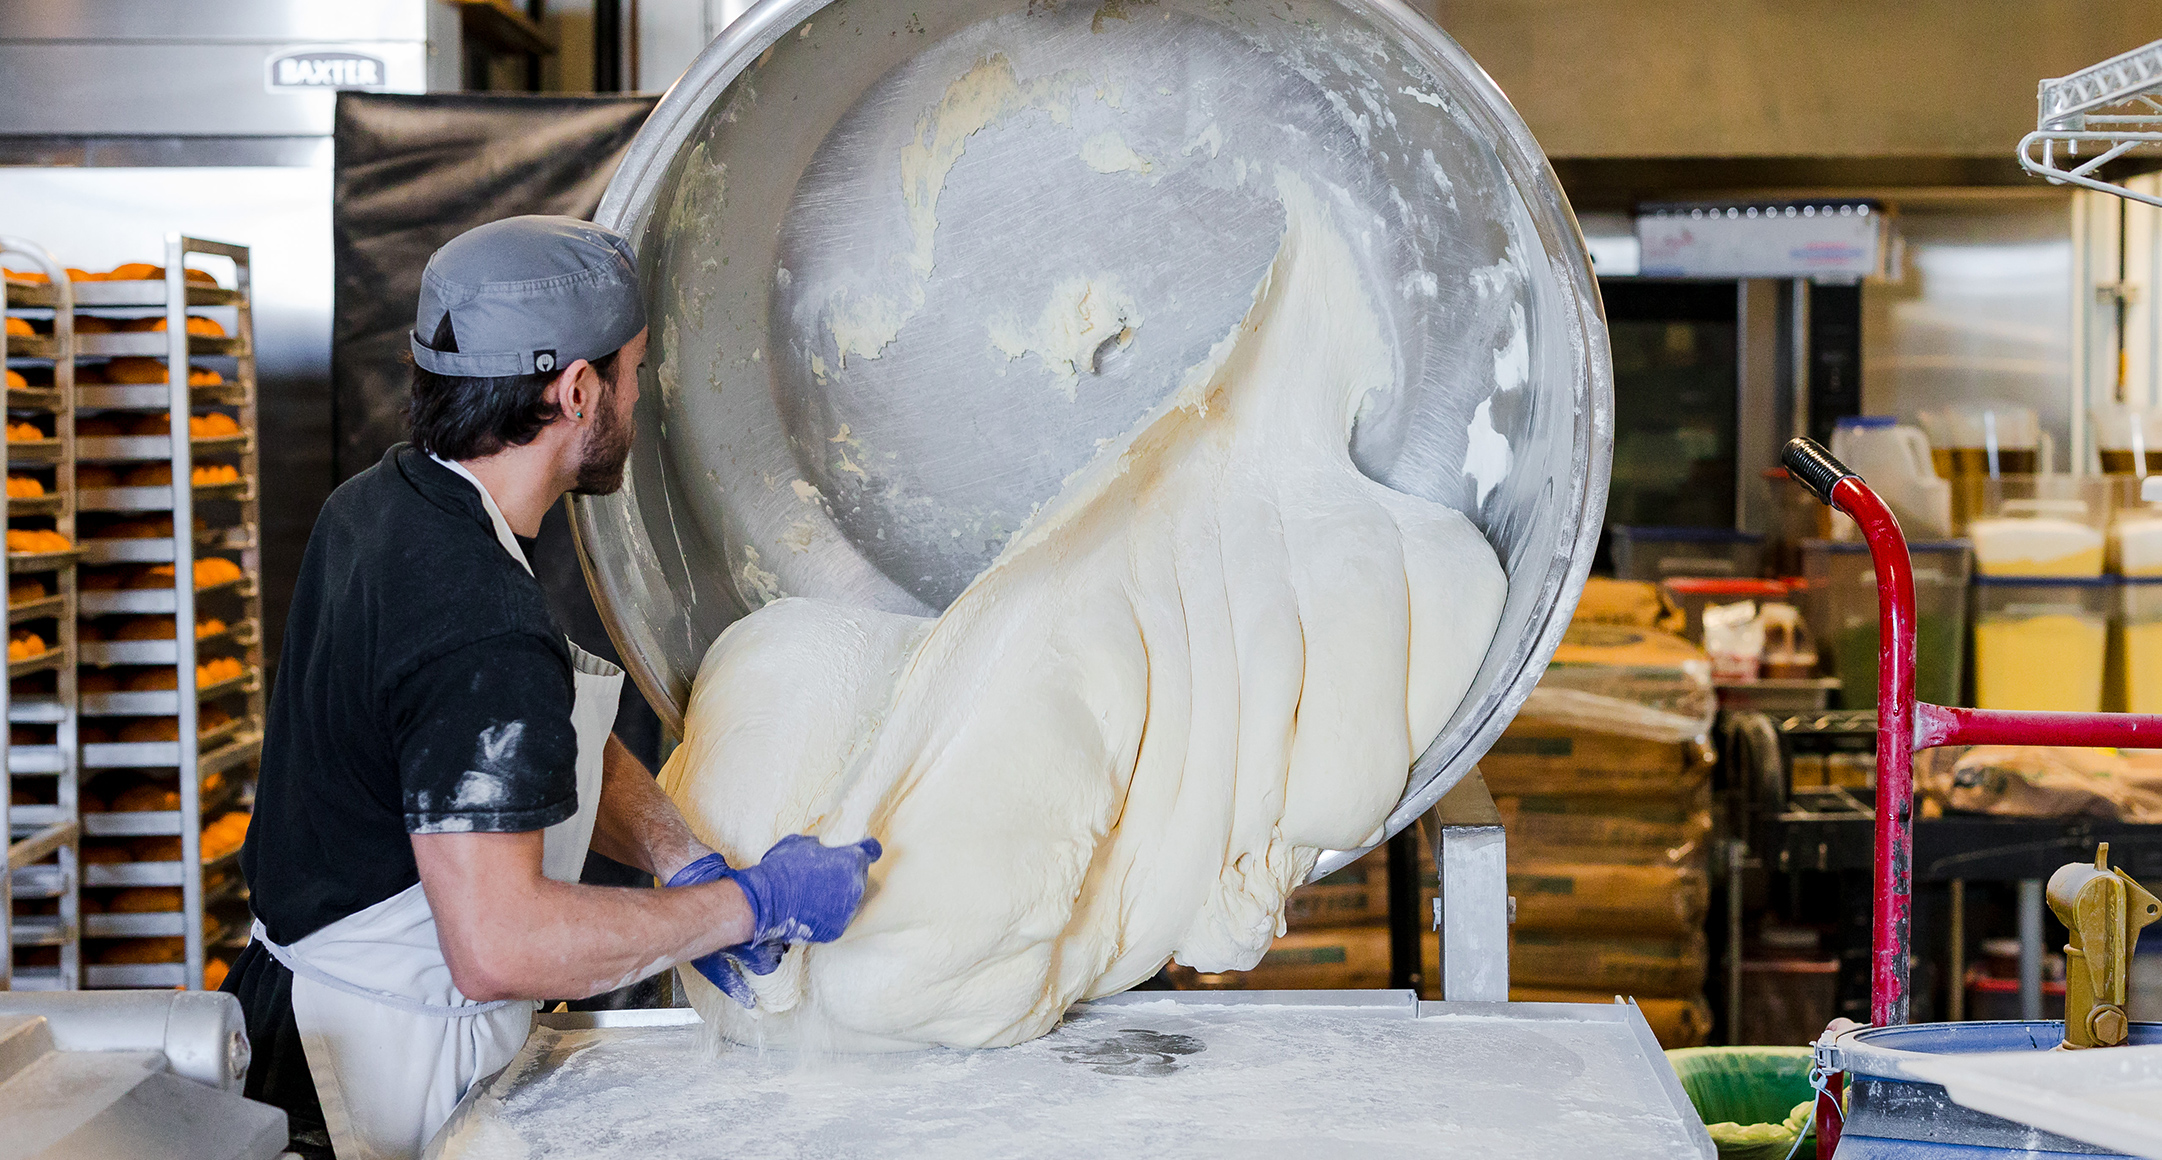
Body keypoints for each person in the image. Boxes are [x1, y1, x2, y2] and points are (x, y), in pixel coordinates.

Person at [223, 216, 880, 1160]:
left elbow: (527, 741)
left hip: (293, 1016)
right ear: (577, 390)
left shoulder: (387, 504)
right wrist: (751, 906)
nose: (639, 398)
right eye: (635, 372)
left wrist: (677, 852)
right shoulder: (478, 618)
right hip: (371, 1080)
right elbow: (501, 944)